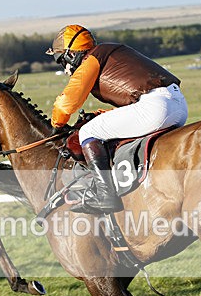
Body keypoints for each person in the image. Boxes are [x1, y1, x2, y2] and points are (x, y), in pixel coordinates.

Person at [47, 24, 188, 214]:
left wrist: (56, 124)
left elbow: (67, 103)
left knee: (88, 132)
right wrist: (100, 115)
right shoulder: (111, 51)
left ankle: (105, 195)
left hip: (156, 106)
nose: (65, 69)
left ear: (71, 55)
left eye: (61, 61)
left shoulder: (92, 59)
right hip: (178, 104)